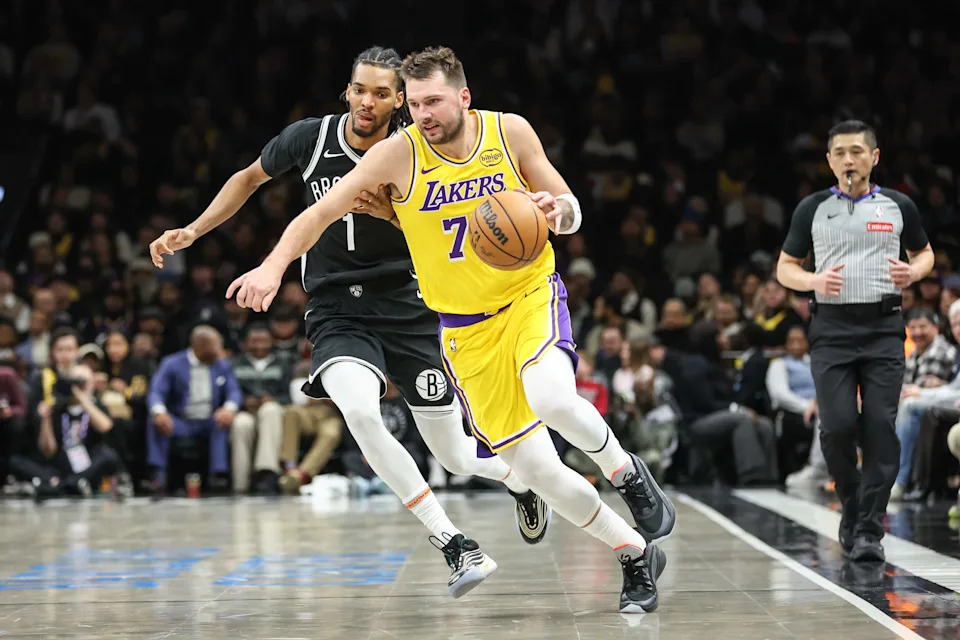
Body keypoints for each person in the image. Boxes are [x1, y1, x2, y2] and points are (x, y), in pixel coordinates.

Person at [224, 46, 675, 613]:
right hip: (464, 329)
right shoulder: (397, 154)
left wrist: (557, 213)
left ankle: (626, 471)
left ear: (463, 95)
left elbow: (569, 206)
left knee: (552, 396)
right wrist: (272, 266)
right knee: (536, 470)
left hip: (527, 295)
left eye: (433, 101)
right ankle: (634, 552)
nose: (424, 114)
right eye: (413, 105)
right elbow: (318, 213)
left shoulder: (509, 133)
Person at [149, 47, 549, 598]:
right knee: (359, 410)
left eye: (382, 93)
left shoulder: (413, 149)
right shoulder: (310, 139)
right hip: (338, 307)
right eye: (360, 89)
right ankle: (455, 543)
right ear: (347, 90)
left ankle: (519, 482)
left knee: (455, 452)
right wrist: (193, 232)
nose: (368, 101)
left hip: (409, 305)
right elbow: (247, 179)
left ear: (399, 102)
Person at [777, 119, 934, 562]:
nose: (849, 159)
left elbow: (925, 254)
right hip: (831, 330)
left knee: (881, 426)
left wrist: (915, 272)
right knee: (839, 426)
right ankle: (851, 507)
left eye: (857, 151)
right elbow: (784, 267)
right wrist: (813, 280)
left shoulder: (898, 205)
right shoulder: (812, 208)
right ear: (829, 161)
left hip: (884, 327)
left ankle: (869, 529)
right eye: (841, 152)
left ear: (874, 157)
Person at [145, 325, 242, 494]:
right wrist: (159, 411)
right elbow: (156, 391)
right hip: (181, 420)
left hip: (209, 419)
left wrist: (228, 408)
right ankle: (158, 475)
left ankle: (218, 475)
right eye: (217, 345)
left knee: (221, 422)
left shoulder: (222, 366)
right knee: (156, 421)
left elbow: (234, 391)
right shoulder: (172, 363)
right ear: (201, 345)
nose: (221, 350)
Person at [8, 364, 121, 499]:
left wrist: (83, 400)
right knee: (16, 460)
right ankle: (68, 484)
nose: (79, 386)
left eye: (83, 382)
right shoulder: (58, 409)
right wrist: (45, 420)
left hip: (87, 462)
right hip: (61, 462)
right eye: (75, 382)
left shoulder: (96, 405)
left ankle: (58, 485)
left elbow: (105, 426)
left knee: (108, 456)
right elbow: (48, 451)